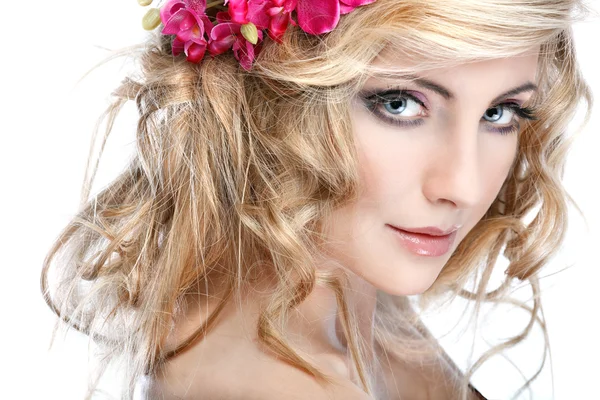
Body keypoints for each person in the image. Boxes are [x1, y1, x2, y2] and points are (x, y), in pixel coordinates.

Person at [40, 0, 593, 399]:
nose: (464, 187)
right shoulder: (264, 387)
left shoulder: (369, 308)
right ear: (276, 98)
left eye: (500, 114)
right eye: (400, 104)